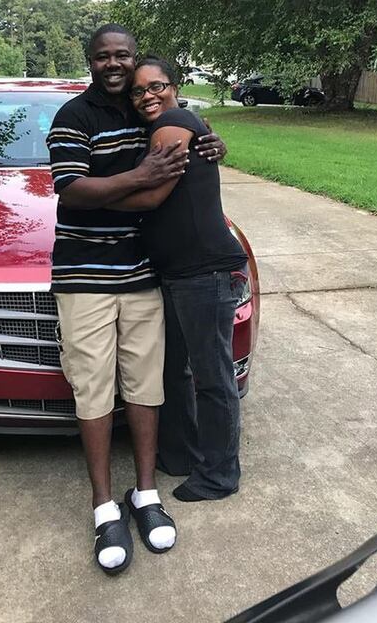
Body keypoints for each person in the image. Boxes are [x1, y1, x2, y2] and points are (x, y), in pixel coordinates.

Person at [47, 25, 227, 574]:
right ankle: (105, 505)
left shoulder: (148, 113)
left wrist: (211, 142)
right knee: (94, 389)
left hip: (144, 273)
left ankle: (145, 494)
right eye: (103, 56)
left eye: (122, 54)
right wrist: (140, 174)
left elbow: (183, 133)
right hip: (84, 277)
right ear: (90, 62)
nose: (114, 63)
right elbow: (72, 191)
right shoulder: (72, 118)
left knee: (146, 386)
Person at [108, 56, 248, 503]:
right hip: (177, 273)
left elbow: (152, 194)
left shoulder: (174, 122)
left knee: (212, 377)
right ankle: (183, 455)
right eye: (138, 90)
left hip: (203, 271)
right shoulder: (170, 126)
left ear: (174, 86)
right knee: (175, 371)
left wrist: (86, 198)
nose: (148, 95)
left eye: (157, 85)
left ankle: (220, 475)